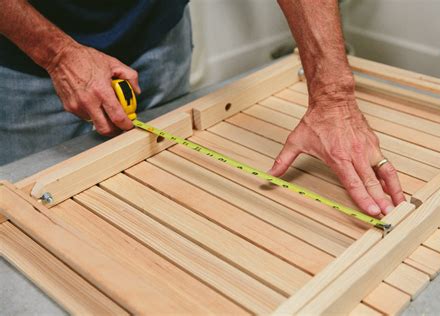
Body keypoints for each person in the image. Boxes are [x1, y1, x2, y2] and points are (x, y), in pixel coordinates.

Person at [0, 0, 404, 216]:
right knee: (43, 211)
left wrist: (333, 96)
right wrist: (55, 55)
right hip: (29, 59)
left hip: (160, 31)